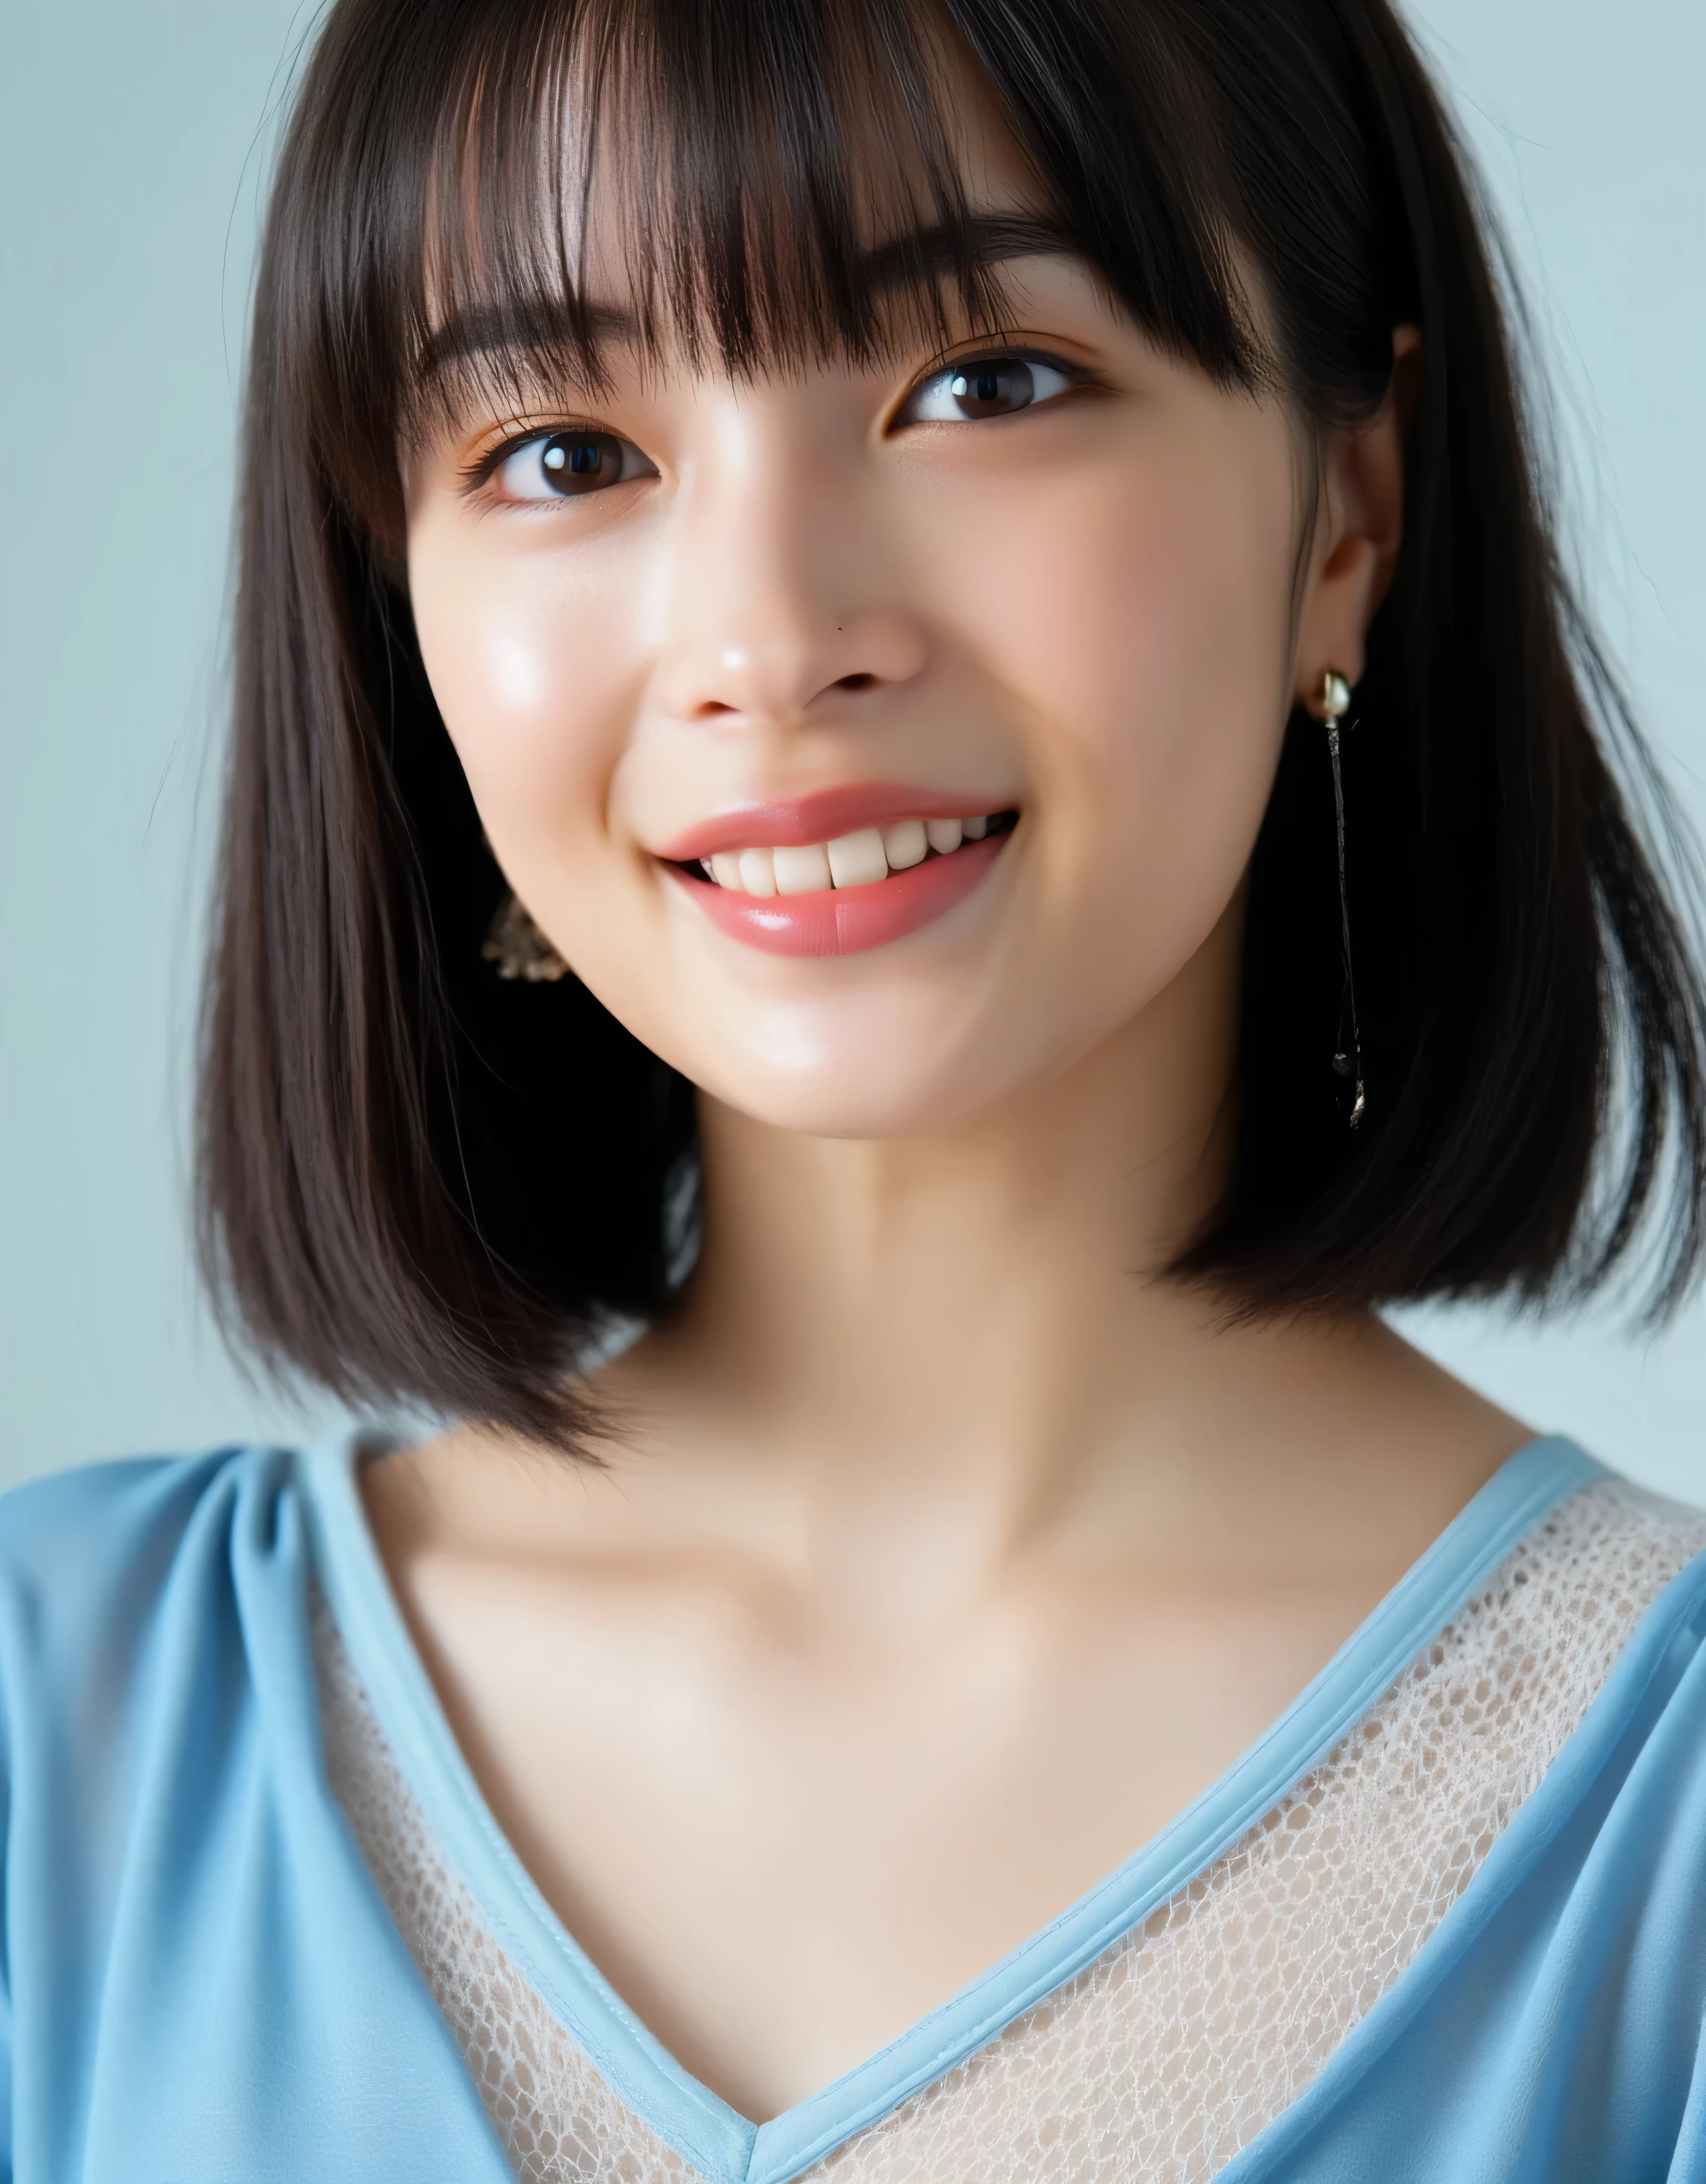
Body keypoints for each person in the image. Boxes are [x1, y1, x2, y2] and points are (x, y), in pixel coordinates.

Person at [5, 0, 1706, 2177]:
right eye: (562, 453)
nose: (767, 634)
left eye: (982, 383)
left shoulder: (1644, 1835)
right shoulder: (60, 1743)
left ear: (1346, 514)